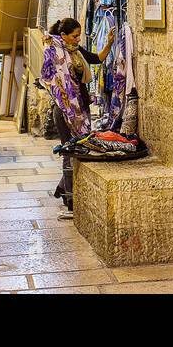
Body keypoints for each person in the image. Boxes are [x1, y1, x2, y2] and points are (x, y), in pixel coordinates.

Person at [47, 17, 115, 220]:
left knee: (78, 148)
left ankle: (63, 189)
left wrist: (110, 43)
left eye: (78, 35)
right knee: (70, 150)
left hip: (79, 106)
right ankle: (70, 200)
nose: (78, 39)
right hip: (65, 108)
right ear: (64, 36)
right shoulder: (56, 53)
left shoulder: (77, 51)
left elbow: (97, 58)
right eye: (74, 36)